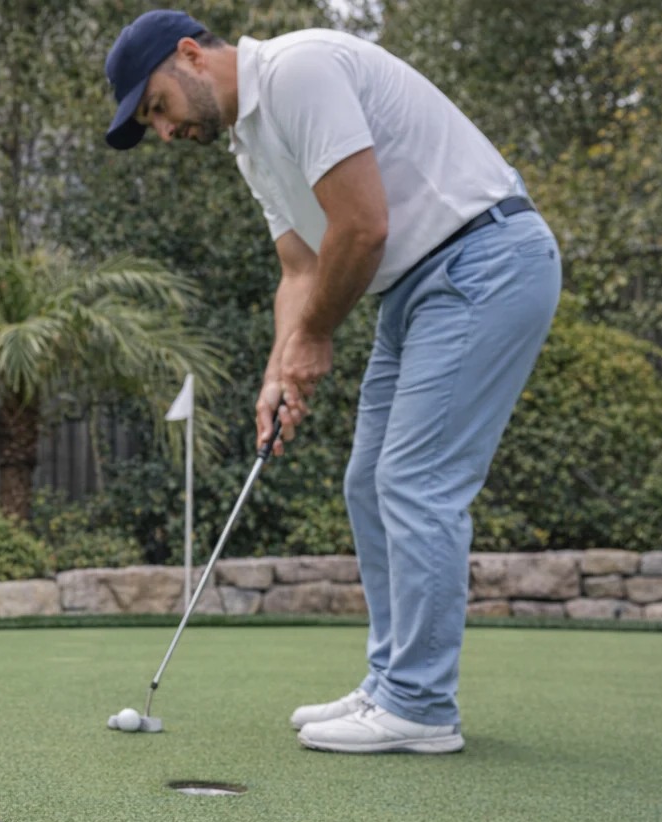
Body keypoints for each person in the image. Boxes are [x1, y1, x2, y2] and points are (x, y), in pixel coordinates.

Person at [103, 11, 562, 754]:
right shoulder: (250, 147)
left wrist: (314, 337)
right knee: (366, 482)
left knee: (417, 481)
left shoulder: (298, 70)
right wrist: (280, 366)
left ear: (190, 55)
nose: (164, 130)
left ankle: (420, 706)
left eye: (157, 105)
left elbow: (363, 226)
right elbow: (302, 265)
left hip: (484, 260)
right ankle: (390, 683)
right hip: (415, 290)